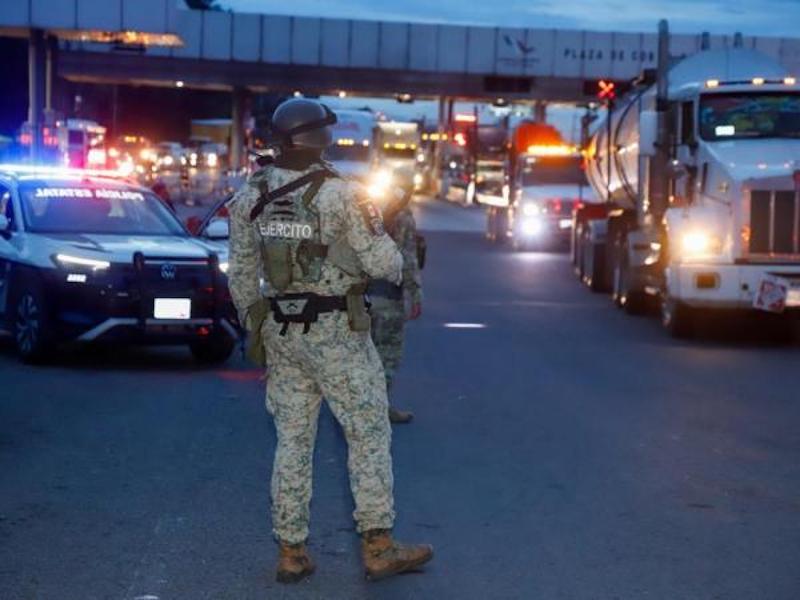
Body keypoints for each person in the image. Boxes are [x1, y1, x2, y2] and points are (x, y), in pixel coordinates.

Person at [226, 98, 433, 584]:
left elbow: (240, 275)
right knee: (368, 434)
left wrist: (255, 324)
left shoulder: (249, 193)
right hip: (337, 332)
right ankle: (379, 545)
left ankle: (291, 551)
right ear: (321, 138)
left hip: (282, 332)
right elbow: (387, 264)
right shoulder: (344, 194)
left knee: (292, 441)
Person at [368, 169, 423, 424]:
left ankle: (360, 407)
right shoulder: (403, 216)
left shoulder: (371, 210)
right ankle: (380, 409)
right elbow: (408, 259)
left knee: (364, 353)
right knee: (387, 355)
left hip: (364, 296)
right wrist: (415, 293)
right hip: (389, 296)